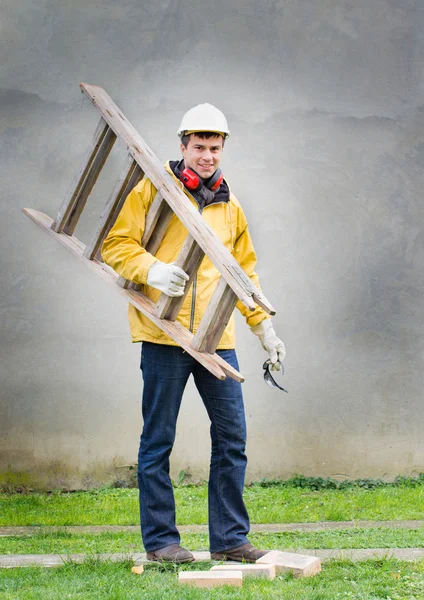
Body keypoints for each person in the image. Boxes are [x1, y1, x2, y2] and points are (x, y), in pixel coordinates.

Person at [102, 103, 286, 564]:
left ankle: (229, 539)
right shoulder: (153, 189)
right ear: (182, 146)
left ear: (223, 149)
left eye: (214, 148)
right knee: (158, 439)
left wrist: (263, 326)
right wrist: (153, 269)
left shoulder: (230, 203)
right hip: (164, 334)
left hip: (216, 338)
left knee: (232, 438)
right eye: (199, 147)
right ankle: (162, 542)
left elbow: (243, 272)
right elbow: (115, 244)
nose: (207, 155)